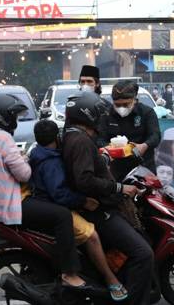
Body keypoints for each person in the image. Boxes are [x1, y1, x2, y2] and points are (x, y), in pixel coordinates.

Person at [0, 94, 86, 288]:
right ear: (3, 117)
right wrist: (23, 159)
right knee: (62, 215)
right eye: (13, 116)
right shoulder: (4, 139)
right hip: (13, 206)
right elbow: (24, 175)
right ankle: (69, 273)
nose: (15, 121)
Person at [62, 92, 154, 305]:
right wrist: (120, 187)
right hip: (99, 210)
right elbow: (84, 180)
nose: (101, 117)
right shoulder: (80, 140)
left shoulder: (74, 135)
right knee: (143, 253)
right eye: (97, 113)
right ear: (88, 114)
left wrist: (102, 156)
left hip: (99, 205)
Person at [29, 119, 129, 301]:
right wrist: (83, 201)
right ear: (56, 137)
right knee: (92, 235)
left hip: (53, 203)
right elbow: (59, 193)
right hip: (56, 205)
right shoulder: (50, 162)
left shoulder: (42, 153)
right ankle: (111, 279)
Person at [98, 80, 161, 182]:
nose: (121, 108)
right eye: (117, 105)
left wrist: (144, 145)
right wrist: (107, 148)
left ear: (134, 100)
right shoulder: (106, 115)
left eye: (126, 104)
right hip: (115, 170)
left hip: (143, 167)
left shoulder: (147, 112)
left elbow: (155, 135)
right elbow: (99, 138)